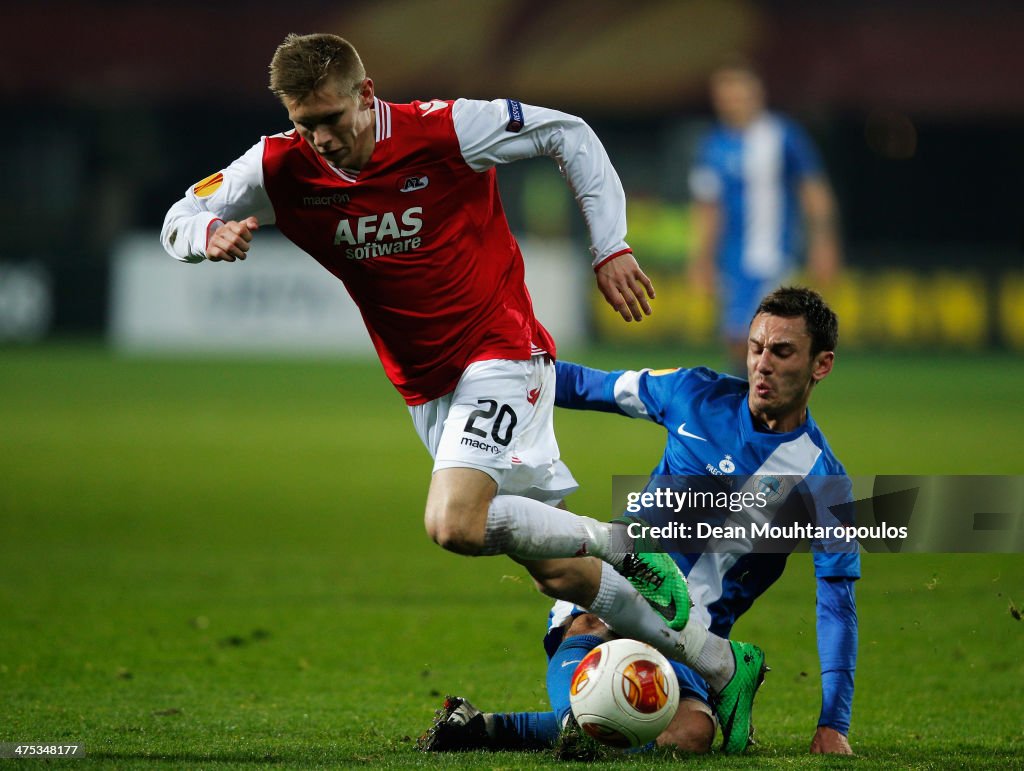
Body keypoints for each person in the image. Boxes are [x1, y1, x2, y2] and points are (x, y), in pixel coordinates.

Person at [160, 33, 766, 752]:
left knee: (453, 521)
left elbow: (567, 133)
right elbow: (178, 218)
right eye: (304, 122)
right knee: (561, 574)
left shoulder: (443, 129)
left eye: (331, 116)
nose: (321, 137)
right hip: (427, 391)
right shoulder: (278, 164)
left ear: (366, 93)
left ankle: (625, 543)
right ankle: (723, 663)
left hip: (501, 350)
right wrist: (211, 234)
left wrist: (610, 246)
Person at [419, 287, 858, 756]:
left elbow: (836, 601)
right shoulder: (694, 392)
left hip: (688, 635)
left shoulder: (823, 483)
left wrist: (834, 724)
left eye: (782, 352)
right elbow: (583, 385)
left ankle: (491, 727)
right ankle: (504, 729)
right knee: (587, 619)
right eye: (755, 348)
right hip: (606, 587)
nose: (761, 364)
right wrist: (487, 378)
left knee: (690, 735)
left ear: (821, 364)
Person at [688, 59, 842, 375]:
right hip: (732, 259)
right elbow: (708, 208)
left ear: (756, 93)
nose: (732, 101)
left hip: (773, 255)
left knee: (756, 337)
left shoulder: (783, 136)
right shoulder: (713, 146)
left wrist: (823, 242)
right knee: (739, 339)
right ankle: (753, 412)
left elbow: (813, 190)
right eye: (725, 94)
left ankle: (759, 413)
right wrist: (701, 258)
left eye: (738, 92)